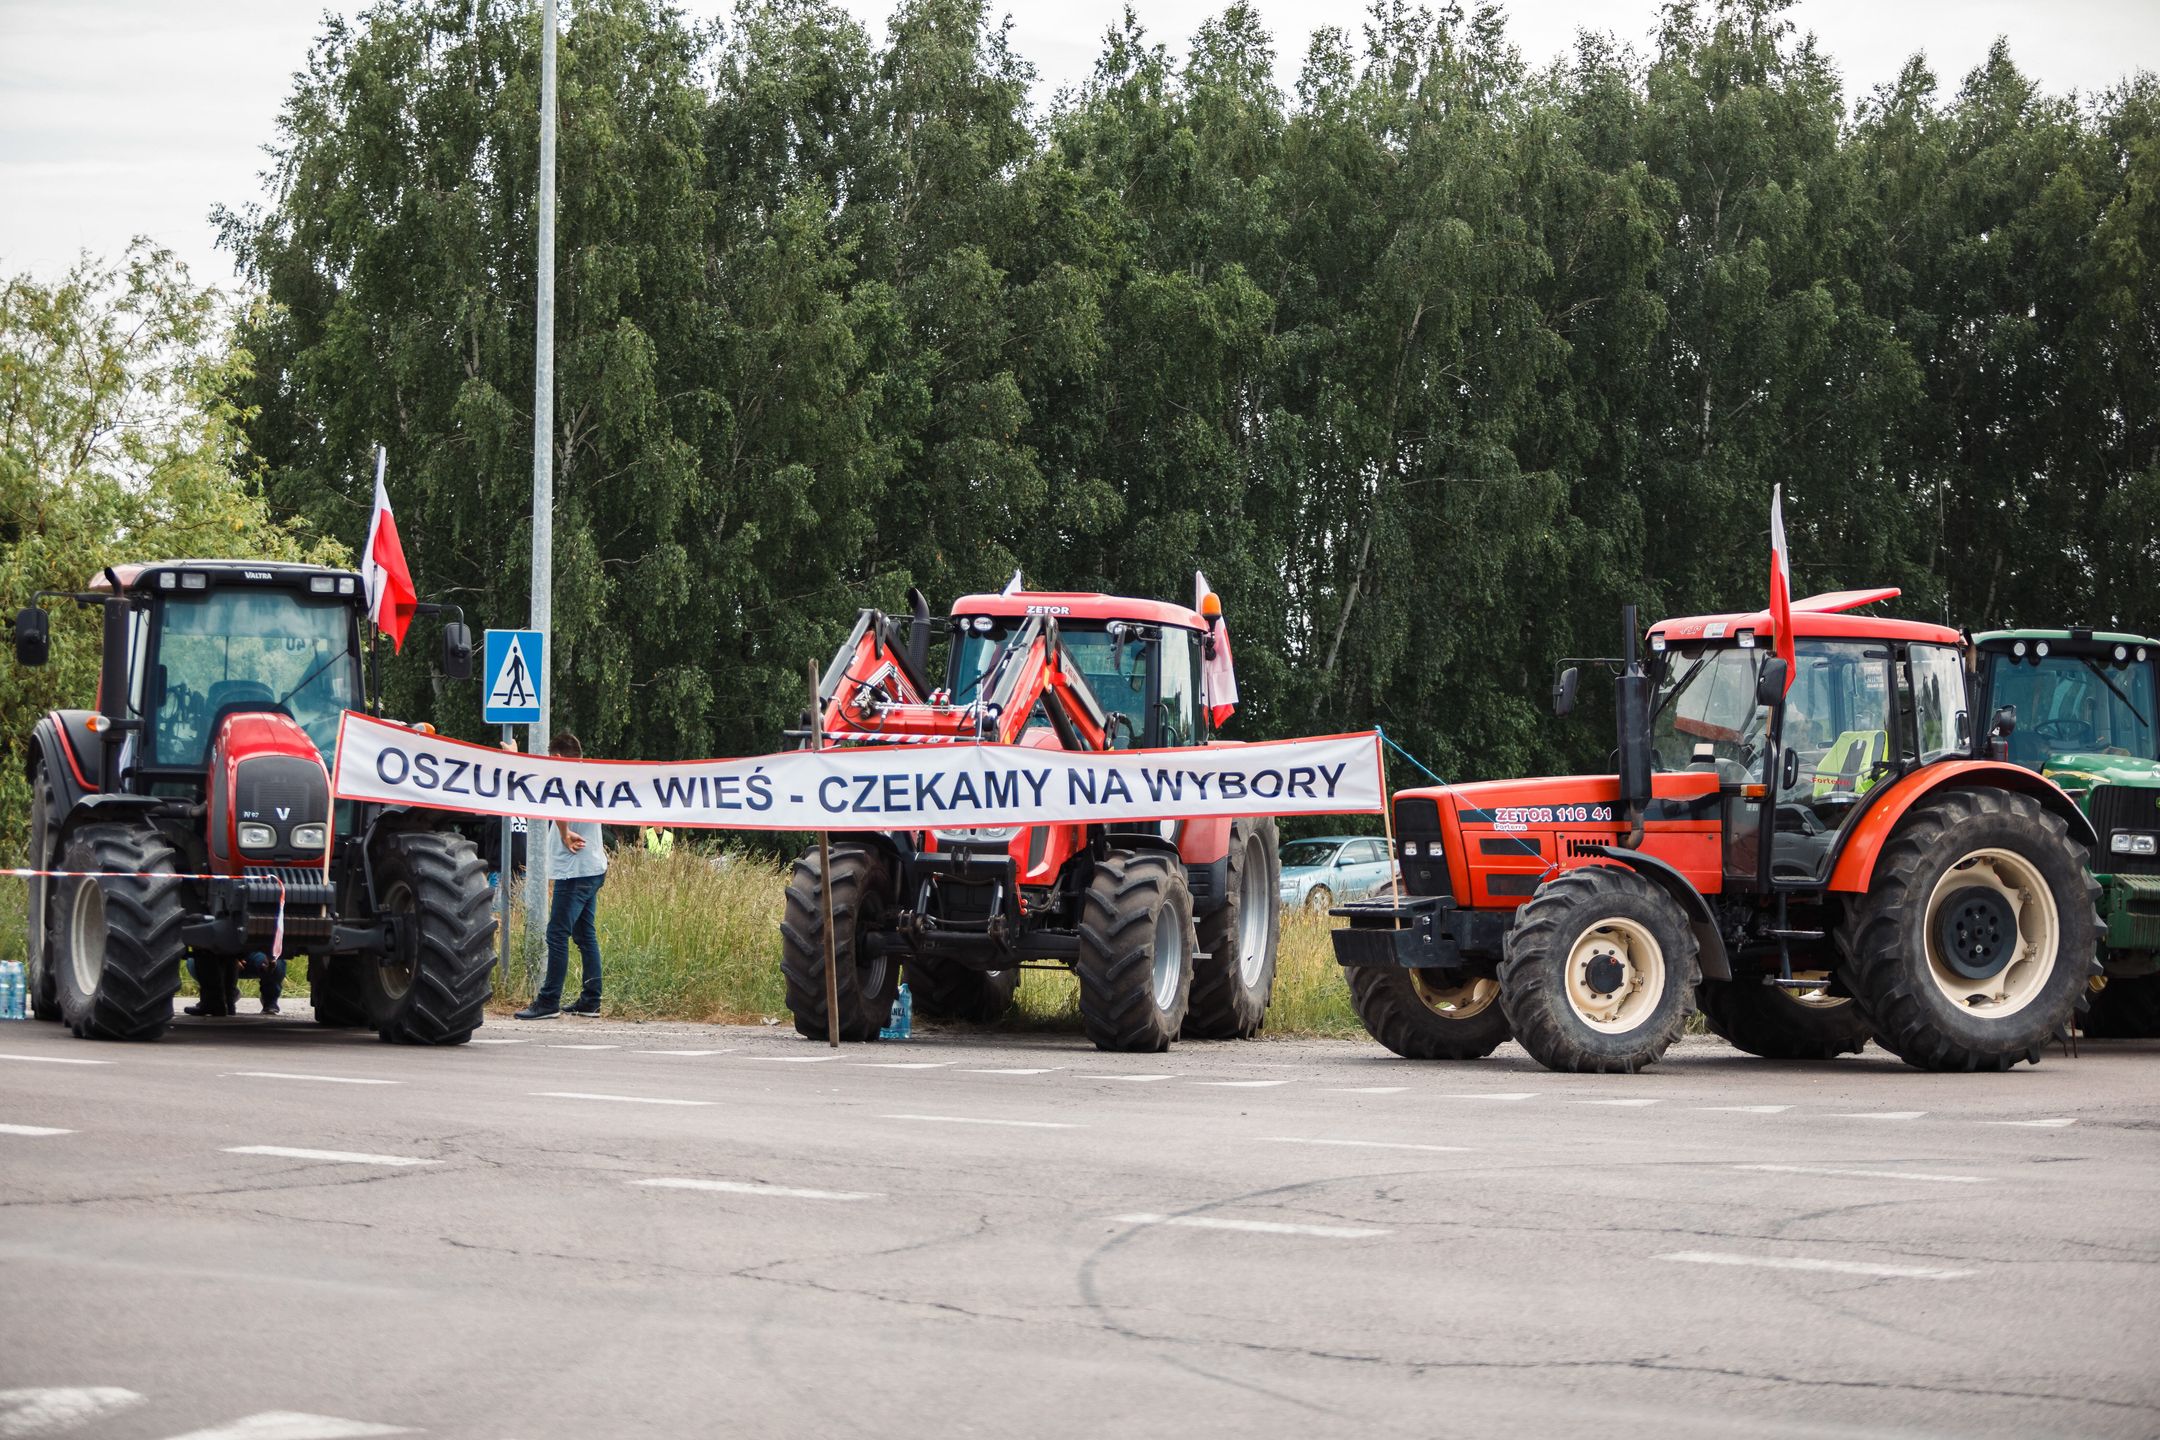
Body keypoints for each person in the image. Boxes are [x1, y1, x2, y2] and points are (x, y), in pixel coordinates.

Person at [516, 731, 609, 1019]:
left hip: (575, 871)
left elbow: (557, 802)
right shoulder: (588, 777)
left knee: (556, 934)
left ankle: (548, 1001)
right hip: (592, 867)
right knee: (585, 935)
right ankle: (591, 999)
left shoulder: (565, 780)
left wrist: (564, 831)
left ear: (556, 757)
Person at [185, 949, 285, 1017]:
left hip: (256, 951)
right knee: (196, 960)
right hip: (224, 947)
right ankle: (223, 997)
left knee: (275, 960)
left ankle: (270, 999)